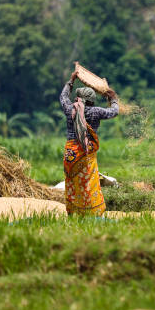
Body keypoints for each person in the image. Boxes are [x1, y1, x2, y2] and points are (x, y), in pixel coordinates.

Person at [60, 70, 118, 215]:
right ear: (90, 101)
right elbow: (114, 111)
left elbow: (63, 96)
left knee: (73, 184)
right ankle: (92, 212)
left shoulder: (70, 110)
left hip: (71, 154)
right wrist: (113, 99)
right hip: (86, 153)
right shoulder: (95, 112)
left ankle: (74, 212)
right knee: (88, 183)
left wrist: (71, 80)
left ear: (78, 98)